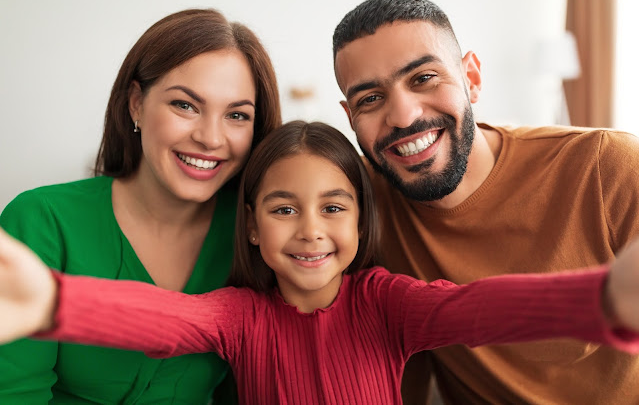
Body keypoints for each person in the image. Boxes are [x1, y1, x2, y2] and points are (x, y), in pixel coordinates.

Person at [1, 121, 639, 405]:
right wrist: (54, 302)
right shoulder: (239, 316)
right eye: (283, 210)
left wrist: (600, 298)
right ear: (250, 227)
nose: (311, 232)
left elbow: (472, 310)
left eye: (333, 208)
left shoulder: (386, 302)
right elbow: (167, 321)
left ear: (361, 221)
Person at [332, 0, 639, 404]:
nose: (403, 116)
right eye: (370, 99)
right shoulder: (356, 207)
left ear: (471, 78)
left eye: (423, 78)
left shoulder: (606, 166)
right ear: (350, 117)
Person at [0, 8, 281, 404]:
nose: (211, 138)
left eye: (237, 115)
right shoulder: (40, 220)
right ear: (136, 103)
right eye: (185, 105)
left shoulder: (262, 236)